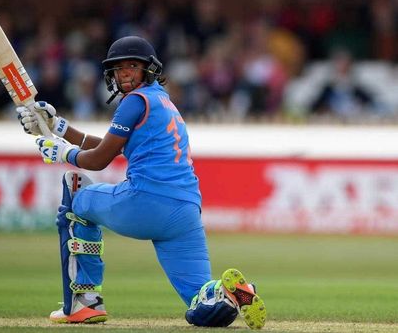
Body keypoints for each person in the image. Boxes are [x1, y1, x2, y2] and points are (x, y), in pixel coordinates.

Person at [16, 36, 267, 328]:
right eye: (119, 68)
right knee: (200, 305)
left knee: (75, 195)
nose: (125, 74)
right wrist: (58, 127)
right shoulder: (162, 101)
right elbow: (111, 146)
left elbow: (99, 160)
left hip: (147, 201)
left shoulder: (134, 101)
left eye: (132, 66)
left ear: (148, 69)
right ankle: (225, 294)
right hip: (186, 211)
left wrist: (61, 152)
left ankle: (84, 303)